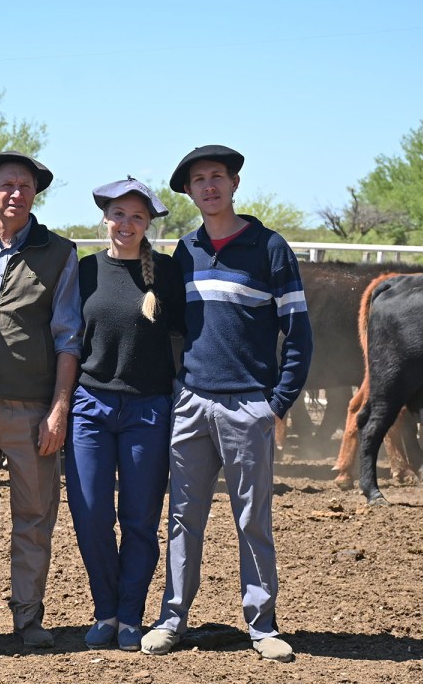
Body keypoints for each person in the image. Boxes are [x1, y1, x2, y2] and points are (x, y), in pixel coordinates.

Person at [140, 145, 312, 662]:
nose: (209, 186)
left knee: (252, 518)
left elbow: (297, 333)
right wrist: (177, 390)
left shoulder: (269, 248)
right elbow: (172, 332)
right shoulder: (184, 252)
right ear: (189, 192)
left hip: (248, 408)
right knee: (182, 517)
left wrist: (276, 403)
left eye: (217, 176)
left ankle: (262, 625)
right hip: (192, 403)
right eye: (198, 179)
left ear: (235, 184)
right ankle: (172, 618)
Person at [0, 151, 83, 649]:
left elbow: (69, 337)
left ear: (35, 193)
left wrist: (59, 409)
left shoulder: (60, 253)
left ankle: (28, 617)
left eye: (25, 186)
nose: (16, 194)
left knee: (34, 517)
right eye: (6, 185)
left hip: (32, 412)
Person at [65, 177, 185, 652]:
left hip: (149, 410)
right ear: (105, 217)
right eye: (118, 214)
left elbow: (186, 335)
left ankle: (131, 615)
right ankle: (106, 610)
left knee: (139, 518)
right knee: (91, 514)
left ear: (148, 223)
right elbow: (67, 340)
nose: (126, 224)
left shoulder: (169, 274)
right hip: (90, 406)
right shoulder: (84, 270)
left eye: (137, 216)